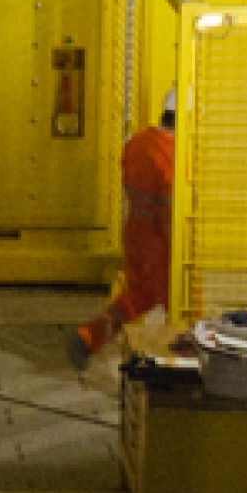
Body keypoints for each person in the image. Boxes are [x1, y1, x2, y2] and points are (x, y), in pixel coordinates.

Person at [69, 94, 177, 368]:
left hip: (135, 234)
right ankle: (174, 368)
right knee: (181, 303)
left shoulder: (137, 143)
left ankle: (89, 335)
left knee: (136, 297)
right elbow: (169, 211)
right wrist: (179, 250)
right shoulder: (172, 154)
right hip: (160, 245)